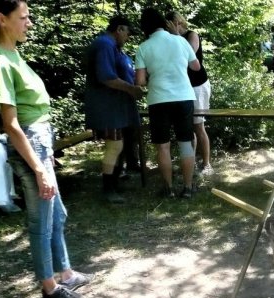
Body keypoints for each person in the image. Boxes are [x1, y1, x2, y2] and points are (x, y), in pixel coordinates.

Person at [0, 0, 90, 298]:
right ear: (1, 19)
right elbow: (11, 125)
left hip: (41, 142)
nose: (30, 23)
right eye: (23, 17)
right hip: (30, 144)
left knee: (57, 214)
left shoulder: (14, 54)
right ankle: (49, 288)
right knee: (42, 222)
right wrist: (38, 167)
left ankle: (65, 273)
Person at [135, 8, 200, 198]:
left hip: (158, 99)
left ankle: (168, 188)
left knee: (163, 146)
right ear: (164, 23)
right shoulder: (180, 40)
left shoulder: (143, 47)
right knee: (185, 142)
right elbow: (195, 66)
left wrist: (150, 74)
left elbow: (140, 81)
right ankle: (188, 188)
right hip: (184, 97)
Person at [84, 15, 143, 204]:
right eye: (127, 32)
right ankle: (108, 189)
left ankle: (115, 182)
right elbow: (106, 76)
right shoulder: (104, 44)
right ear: (119, 29)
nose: (128, 37)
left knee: (121, 144)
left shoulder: (113, 47)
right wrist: (132, 89)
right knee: (115, 145)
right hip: (107, 106)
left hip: (117, 106)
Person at [166, 11, 214, 176]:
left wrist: (174, 36)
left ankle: (207, 164)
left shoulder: (192, 35)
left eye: (171, 24)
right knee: (187, 127)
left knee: (198, 125)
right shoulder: (171, 39)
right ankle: (190, 163)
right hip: (183, 87)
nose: (170, 28)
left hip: (197, 85)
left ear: (178, 22)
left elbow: (189, 56)